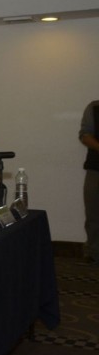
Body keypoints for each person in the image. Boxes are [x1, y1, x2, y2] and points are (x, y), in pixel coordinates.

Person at [81, 100, 99, 265]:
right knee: (94, 213)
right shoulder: (94, 107)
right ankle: (95, 254)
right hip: (96, 169)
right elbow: (85, 135)